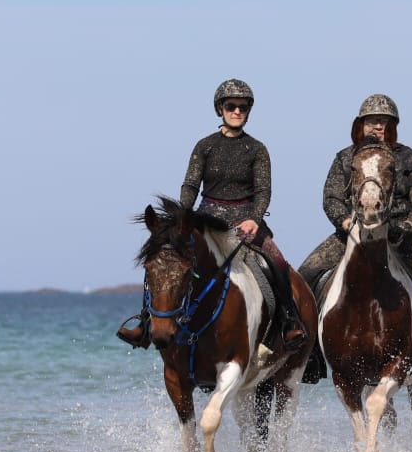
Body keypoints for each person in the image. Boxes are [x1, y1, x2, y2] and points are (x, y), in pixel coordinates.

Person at [117, 79, 305, 351]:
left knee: (277, 261)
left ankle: (289, 321)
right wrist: (183, 216)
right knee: (165, 262)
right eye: (231, 106)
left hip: (246, 221)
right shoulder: (204, 146)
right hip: (207, 219)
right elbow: (191, 185)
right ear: (220, 109)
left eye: (243, 107)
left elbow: (263, 191)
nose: (237, 111)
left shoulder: (257, 149)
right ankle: (145, 325)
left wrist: (254, 218)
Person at [297, 94, 412, 381]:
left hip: (402, 232)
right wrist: (345, 221)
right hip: (353, 232)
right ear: (360, 124)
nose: (378, 126)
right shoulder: (344, 158)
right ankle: (312, 355)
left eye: (385, 122)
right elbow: (331, 198)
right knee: (306, 274)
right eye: (373, 121)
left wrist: (408, 224)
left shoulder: (408, 157)